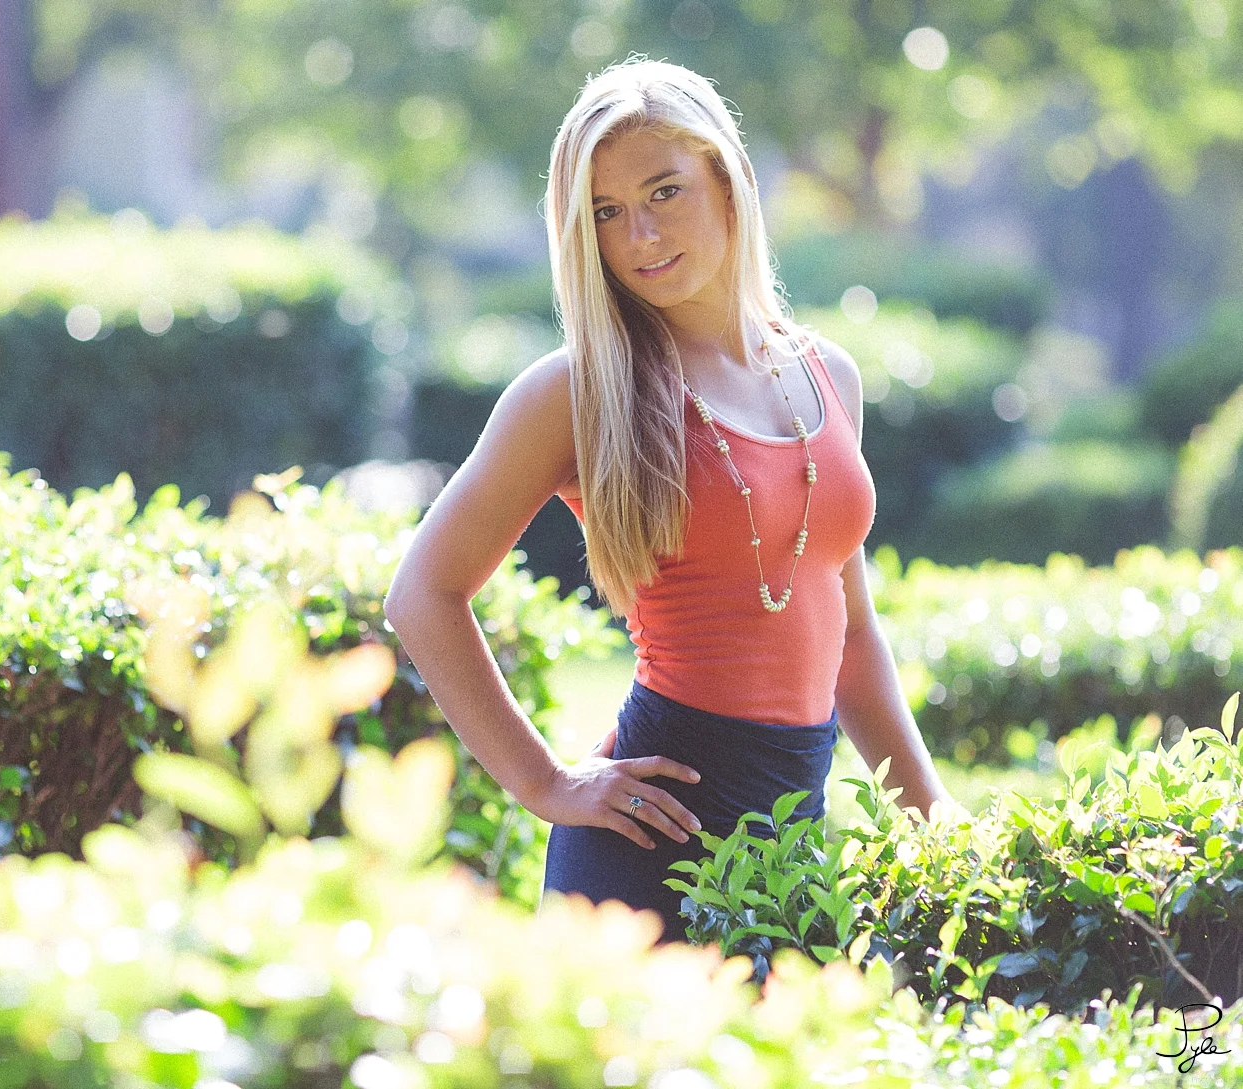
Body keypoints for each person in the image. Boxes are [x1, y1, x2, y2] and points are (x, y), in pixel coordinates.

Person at [383, 58, 956, 944]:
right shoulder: (576, 392)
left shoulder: (827, 376)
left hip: (795, 840)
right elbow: (423, 592)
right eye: (606, 213)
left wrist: (938, 827)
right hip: (648, 839)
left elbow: (851, 640)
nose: (641, 235)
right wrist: (544, 782)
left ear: (728, 180)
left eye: (664, 192)